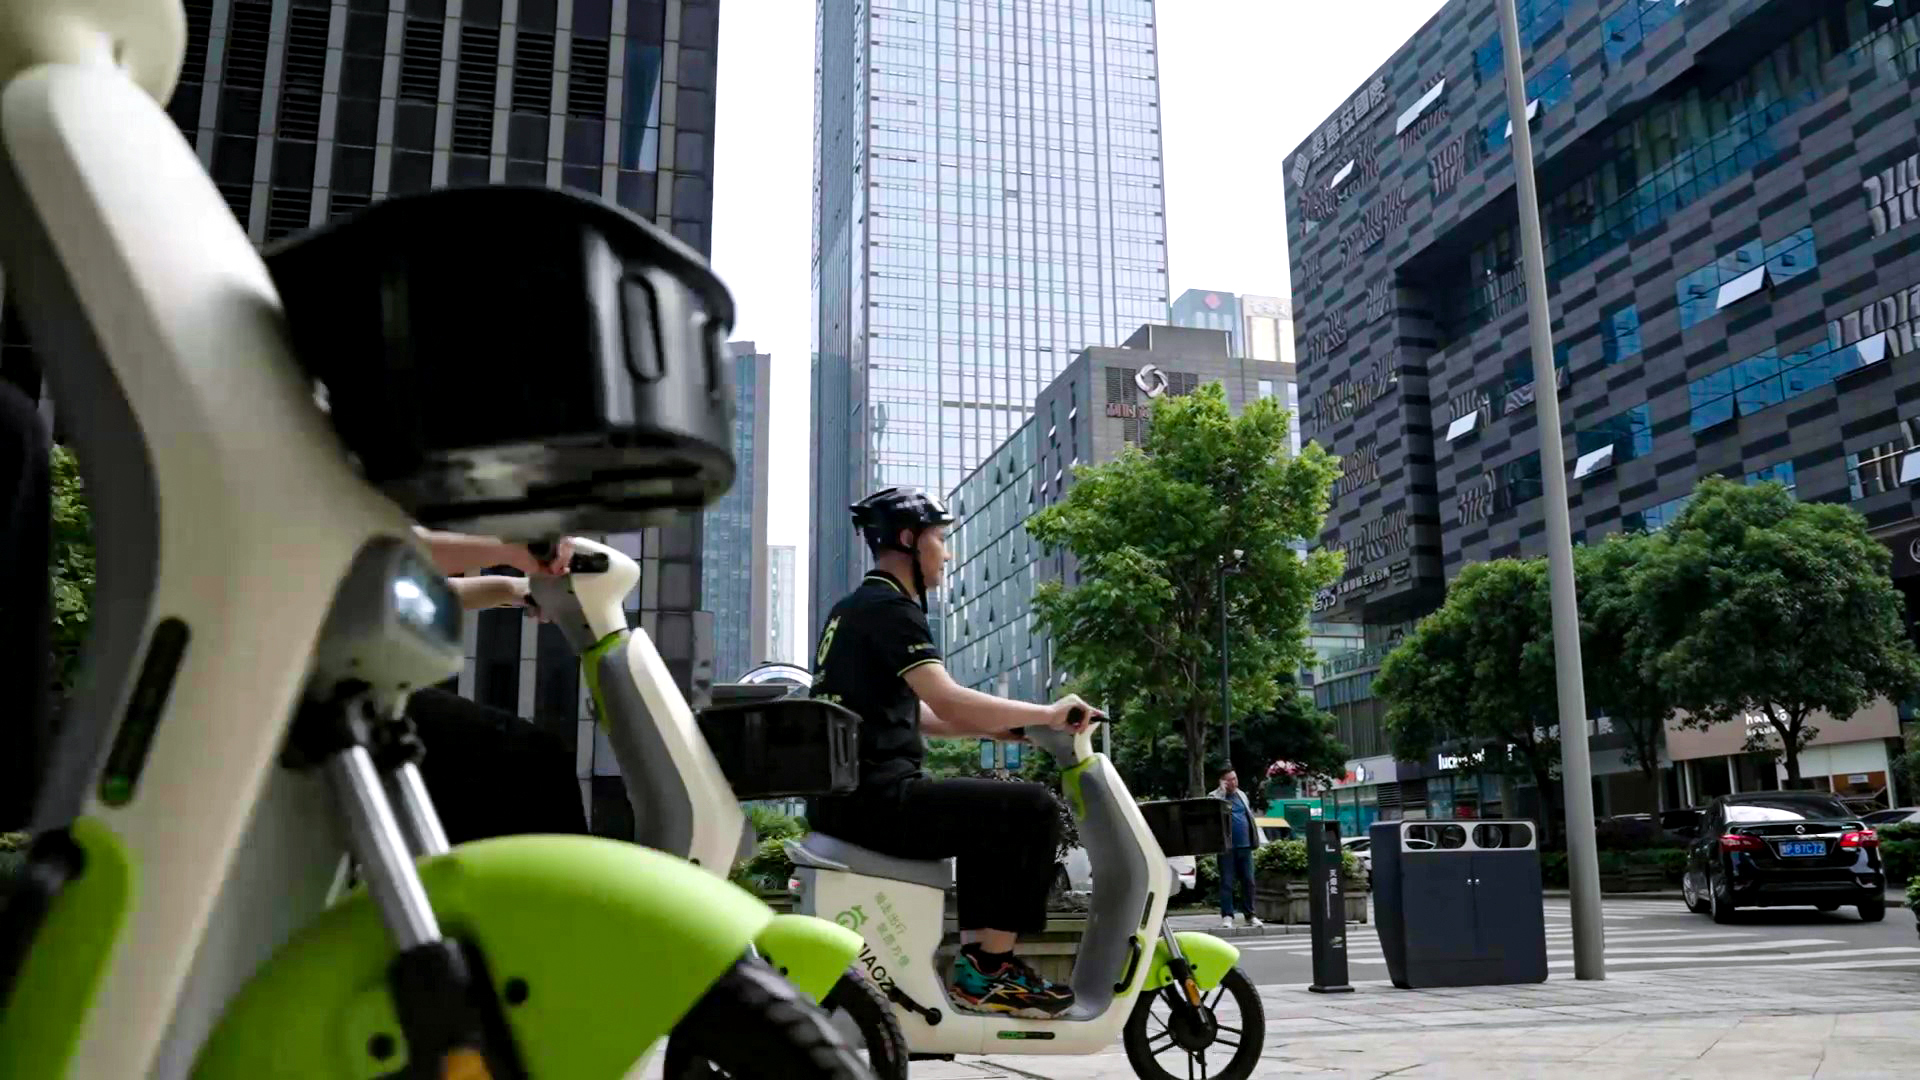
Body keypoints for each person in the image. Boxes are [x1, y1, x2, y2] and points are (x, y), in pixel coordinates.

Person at [807, 488, 1098, 1019]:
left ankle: (977, 969)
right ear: (908, 540)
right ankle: (992, 970)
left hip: (846, 799)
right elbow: (946, 697)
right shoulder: (892, 609)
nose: (947, 552)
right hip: (878, 800)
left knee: (990, 813)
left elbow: (914, 714)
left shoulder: (851, 610)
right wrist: (1048, 712)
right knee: (1033, 808)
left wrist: (1010, 729)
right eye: (940, 539)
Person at [405, 530, 590, 842]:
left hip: (346, 682)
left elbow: (428, 584)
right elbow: (383, 546)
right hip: (333, 692)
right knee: (532, 764)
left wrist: (517, 589)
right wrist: (515, 548)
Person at [1210, 768, 1266, 930]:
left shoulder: (1241, 795)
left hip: (1245, 845)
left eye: (1235, 778)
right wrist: (1222, 792)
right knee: (1227, 882)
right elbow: (1214, 811)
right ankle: (1227, 915)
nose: (1233, 782)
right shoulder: (1214, 796)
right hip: (1226, 847)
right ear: (1222, 781)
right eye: (1229, 780)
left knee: (1249, 881)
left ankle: (1250, 914)